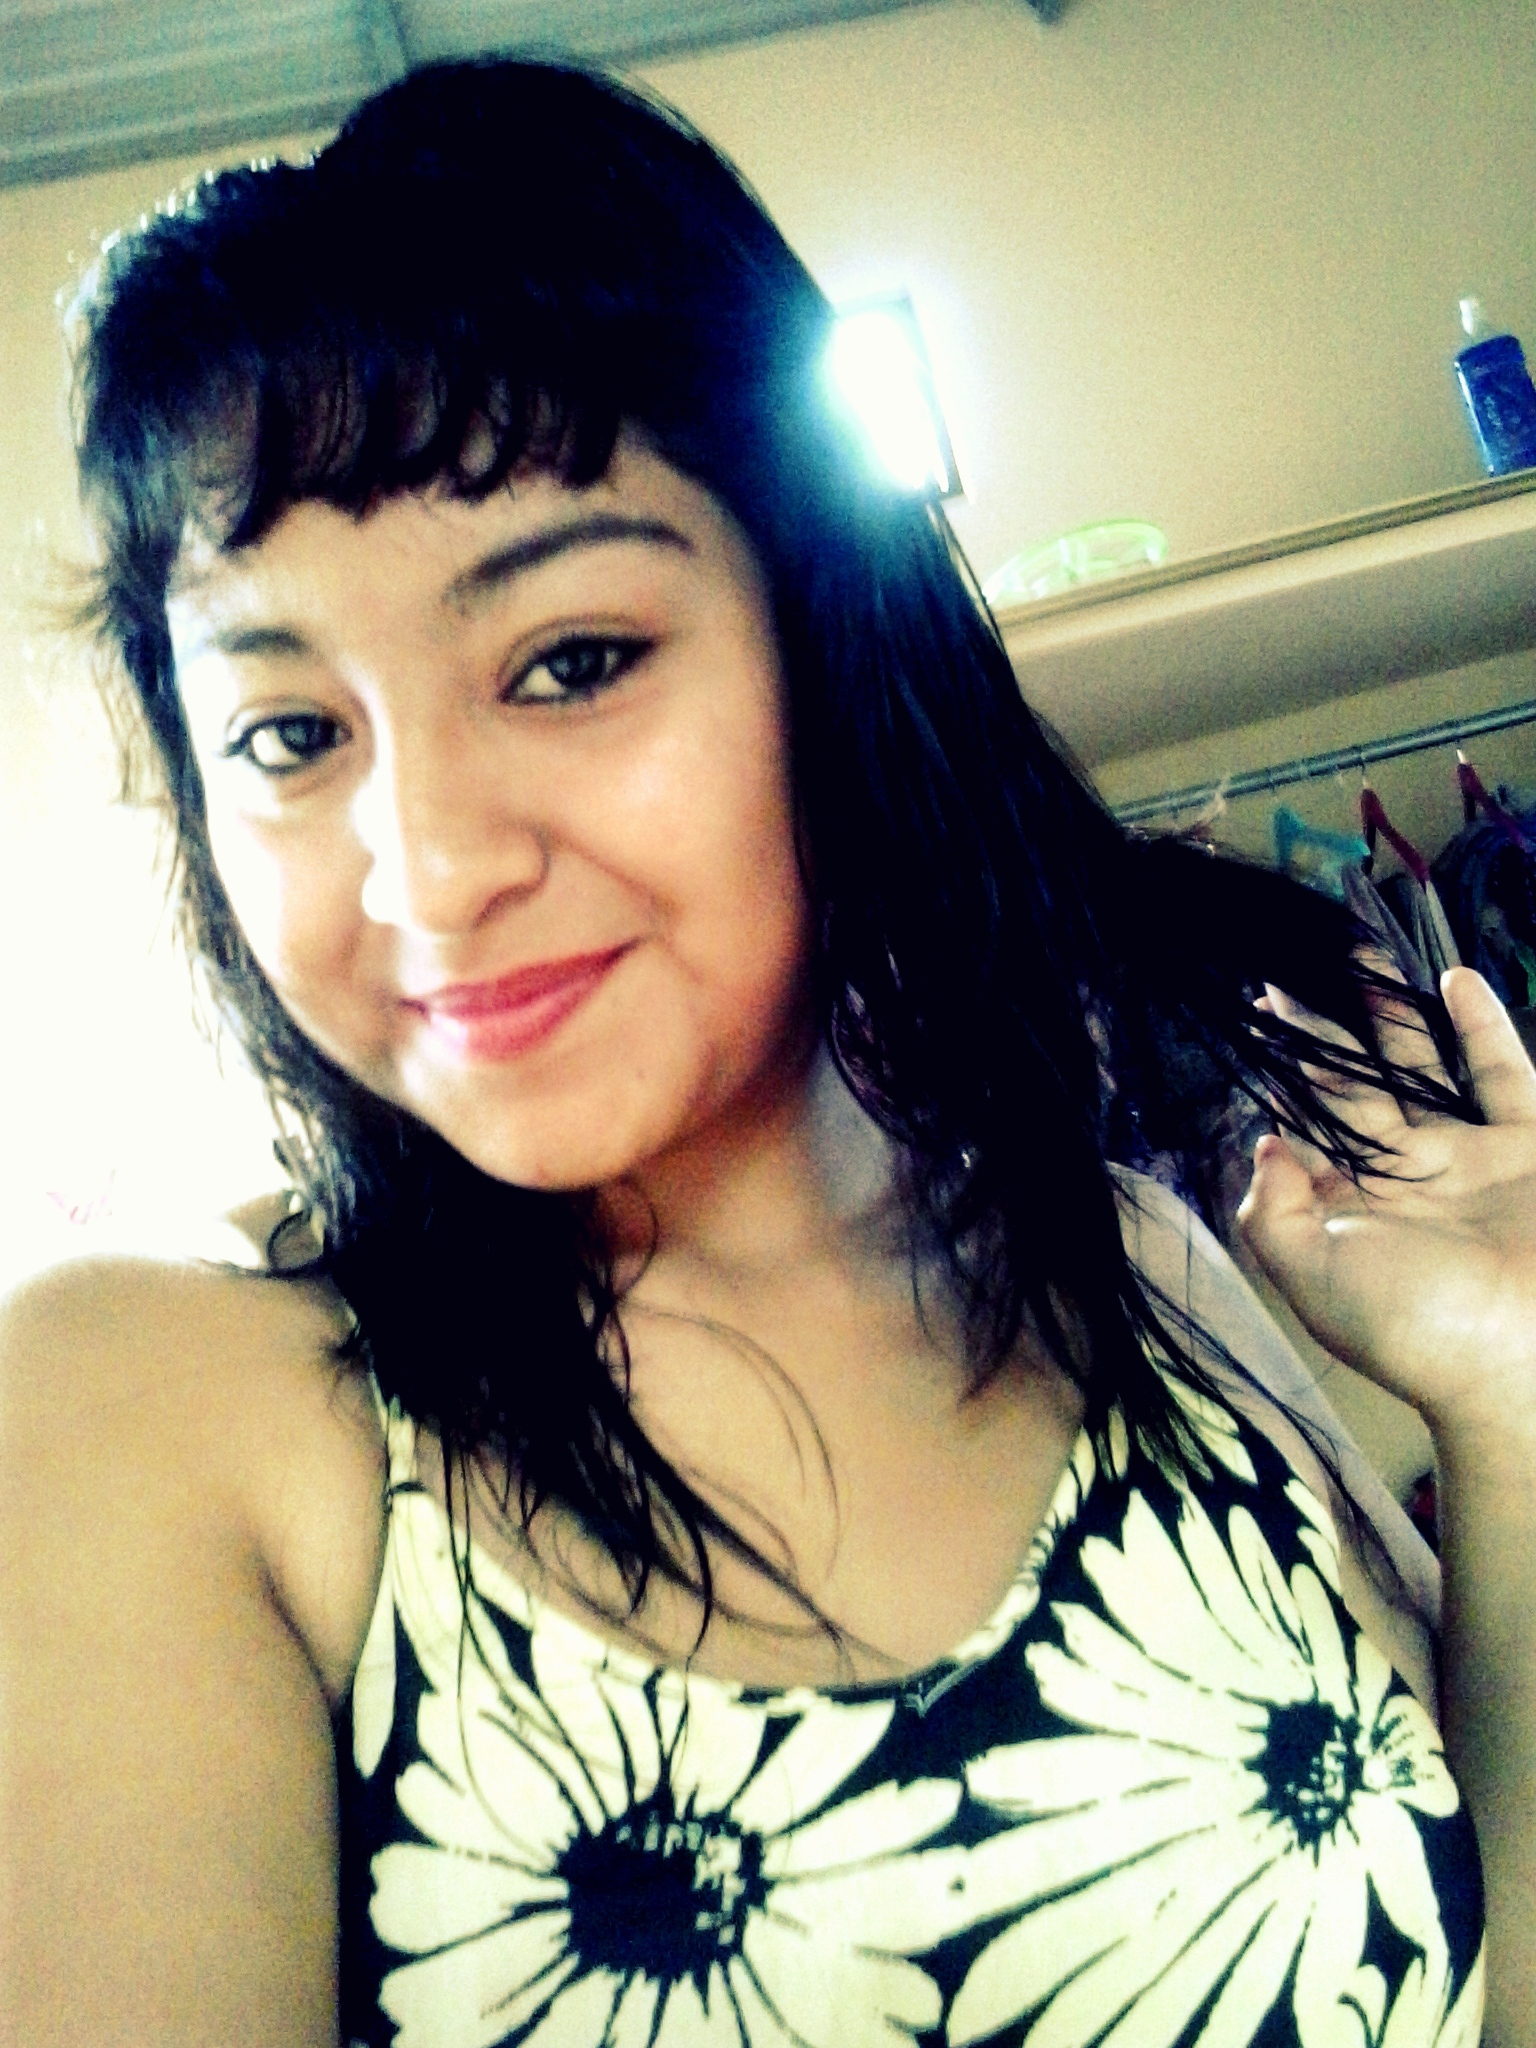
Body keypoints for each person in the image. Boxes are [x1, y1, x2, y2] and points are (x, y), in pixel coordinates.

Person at [2, 56, 1531, 2048]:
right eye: (290, 735)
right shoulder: (157, 1418)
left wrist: (1511, 1399)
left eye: (570, 662)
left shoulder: (1145, 1285)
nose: (429, 868)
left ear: (824, 644)